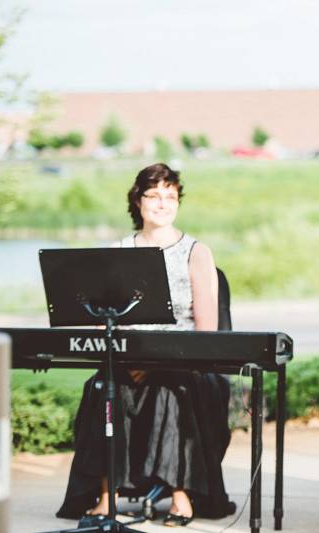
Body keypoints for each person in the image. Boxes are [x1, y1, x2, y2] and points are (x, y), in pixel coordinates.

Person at [56, 163, 233, 527]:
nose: (162, 203)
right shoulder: (117, 250)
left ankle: (181, 495)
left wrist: (157, 362)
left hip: (182, 362)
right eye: (154, 195)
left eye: (170, 196)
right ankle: (108, 495)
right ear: (138, 201)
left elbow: (208, 331)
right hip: (124, 359)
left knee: (171, 389)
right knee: (105, 388)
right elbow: (99, 316)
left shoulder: (196, 252)